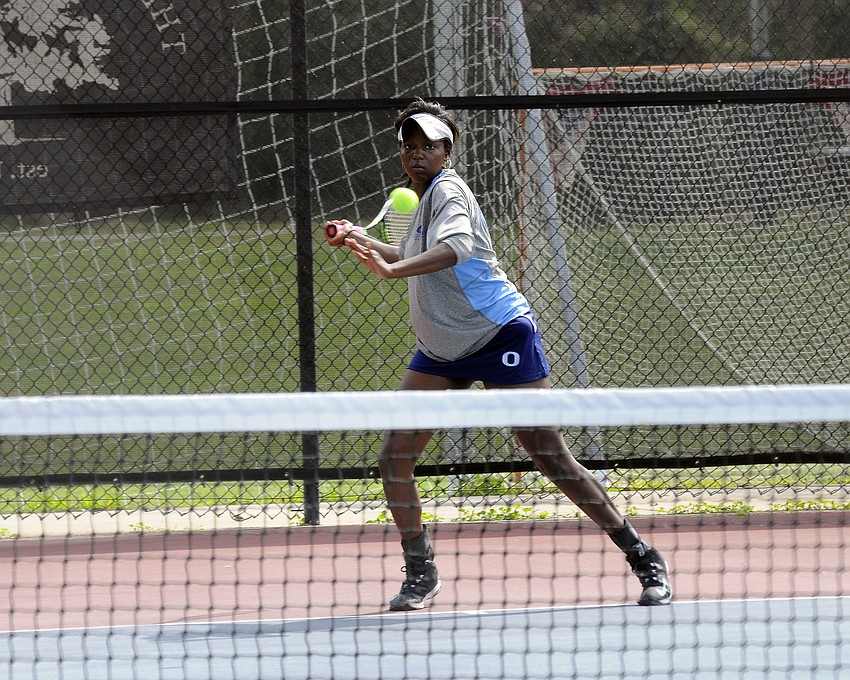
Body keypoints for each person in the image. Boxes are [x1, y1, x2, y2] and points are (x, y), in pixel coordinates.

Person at [323, 98, 672, 611]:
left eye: (428, 146)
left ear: (447, 151)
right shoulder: (424, 200)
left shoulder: (450, 192)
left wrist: (392, 270)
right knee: (395, 457)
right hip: (442, 348)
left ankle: (642, 555)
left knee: (547, 453)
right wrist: (363, 240)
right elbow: (412, 254)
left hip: (498, 334)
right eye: (409, 146)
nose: (417, 154)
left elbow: (456, 249)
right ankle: (421, 571)